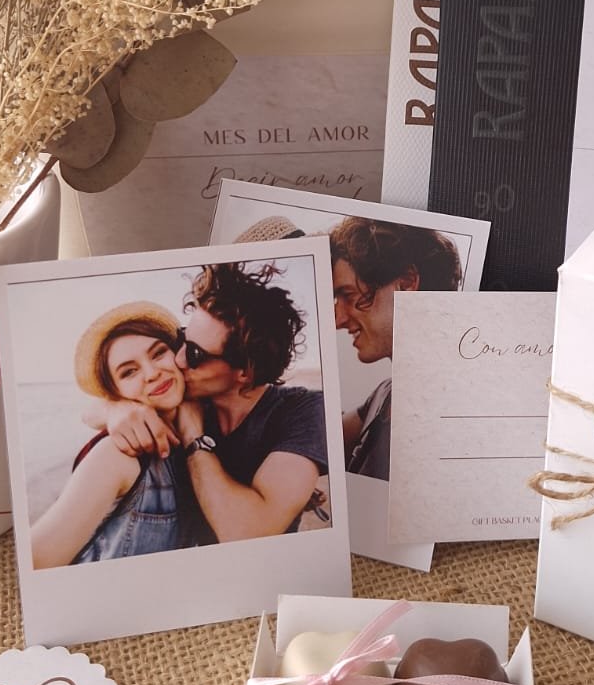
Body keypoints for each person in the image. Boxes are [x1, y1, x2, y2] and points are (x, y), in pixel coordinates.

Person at [97, 262, 326, 542]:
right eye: (182, 338)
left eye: (195, 354)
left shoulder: (303, 411)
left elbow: (246, 532)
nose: (179, 359)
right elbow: (93, 410)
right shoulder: (184, 392)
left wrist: (194, 437)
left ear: (246, 372)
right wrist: (116, 409)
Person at [29, 303, 196, 568]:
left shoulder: (203, 426)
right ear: (116, 393)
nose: (152, 373)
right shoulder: (116, 455)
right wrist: (111, 410)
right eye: (129, 372)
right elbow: (37, 557)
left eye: (158, 353)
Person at [328, 219, 462, 481]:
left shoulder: (450, 408)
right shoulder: (385, 394)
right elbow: (319, 436)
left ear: (407, 283)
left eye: (349, 295)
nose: (338, 320)